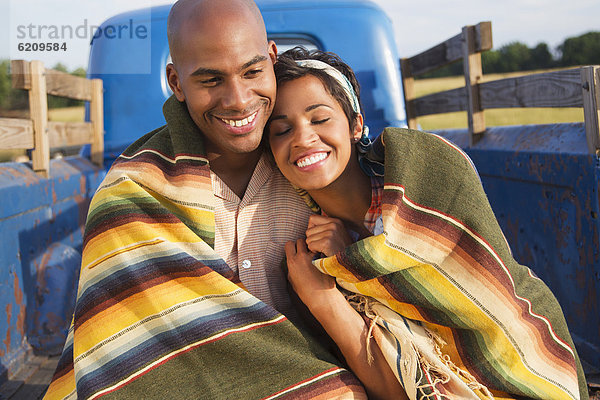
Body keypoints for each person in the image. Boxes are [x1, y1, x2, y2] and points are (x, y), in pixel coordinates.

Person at [43, 2, 367, 399]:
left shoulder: (308, 165)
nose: (238, 100)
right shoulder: (134, 191)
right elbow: (127, 356)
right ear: (176, 83)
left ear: (271, 57)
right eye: (211, 80)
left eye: (252, 71)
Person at [267, 47, 589, 400]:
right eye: (282, 129)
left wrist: (354, 258)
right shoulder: (309, 256)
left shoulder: (424, 173)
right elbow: (389, 382)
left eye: (319, 119)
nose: (301, 137)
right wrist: (332, 281)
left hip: (529, 353)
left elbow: (489, 290)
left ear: (356, 125)